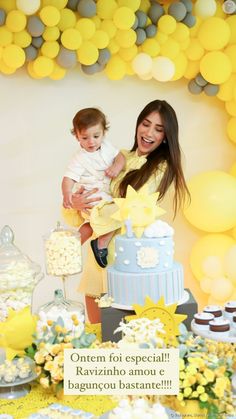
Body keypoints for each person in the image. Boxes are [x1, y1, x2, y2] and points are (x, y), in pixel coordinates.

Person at [67, 100, 190, 323]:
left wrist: (90, 223)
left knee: (126, 337)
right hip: (98, 258)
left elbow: (134, 206)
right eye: (146, 124)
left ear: (166, 136)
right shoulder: (119, 156)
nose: (149, 132)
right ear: (137, 124)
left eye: (159, 129)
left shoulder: (160, 168)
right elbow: (90, 196)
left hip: (126, 262)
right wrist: (75, 202)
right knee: (96, 334)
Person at [61, 107, 125, 247]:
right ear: (77, 136)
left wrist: (116, 167)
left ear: (103, 133)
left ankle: (88, 244)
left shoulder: (107, 147)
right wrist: (67, 194)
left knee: (107, 218)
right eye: (85, 138)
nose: (91, 142)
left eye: (96, 136)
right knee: (107, 217)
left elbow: (120, 157)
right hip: (92, 199)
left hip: (107, 196)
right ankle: (74, 247)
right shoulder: (78, 159)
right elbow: (68, 178)